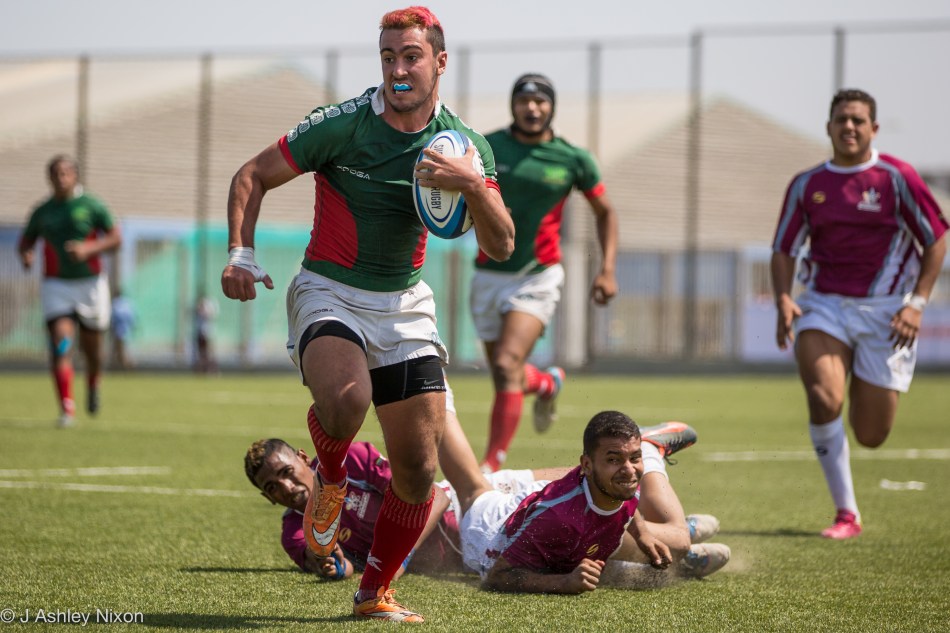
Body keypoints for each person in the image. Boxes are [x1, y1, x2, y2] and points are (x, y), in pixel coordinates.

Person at [221, 6, 514, 623]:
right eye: (388, 57)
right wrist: (241, 256)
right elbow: (252, 174)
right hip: (328, 288)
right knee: (349, 400)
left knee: (418, 467)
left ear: (439, 62)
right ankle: (330, 475)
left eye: (411, 57)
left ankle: (373, 592)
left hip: (405, 305)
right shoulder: (344, 124)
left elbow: (501, 245)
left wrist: (472, 184)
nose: (398, 69)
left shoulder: (466, 147)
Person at [245, 408, 724, 585]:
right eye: (273, 488)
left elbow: (430, 496)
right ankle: (682, 544)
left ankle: (655, 458)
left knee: (590, 499)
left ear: (306, 459)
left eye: (287, 473)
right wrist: (334, 566)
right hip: (480, 535)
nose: (286, 488)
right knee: (589, 527)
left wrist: (398, 559)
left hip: (480, 506)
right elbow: (343, 565)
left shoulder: (352, 464)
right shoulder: (297, 534)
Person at [771, 88, 948, 539]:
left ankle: (865, 392)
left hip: (887, 313)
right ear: (828, 127)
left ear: (874, 128)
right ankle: (846, 513)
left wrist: (916, 304)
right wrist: (783, 298)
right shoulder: (807, 184)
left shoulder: (897, 177)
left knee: (871, 434)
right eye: (841, 120)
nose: (848, 127)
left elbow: (936, 239)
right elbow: (784, 249)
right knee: (823, 396)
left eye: (857, 120)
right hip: (824, 304)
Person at [474, 73, 619, 472]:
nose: (532, 108)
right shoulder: (487, 148)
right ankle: (546, 382)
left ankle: (490, 465)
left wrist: (606, 269)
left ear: (551, 107)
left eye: (541, 101)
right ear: (513, 105)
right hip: (487, 274)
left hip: (538, 275)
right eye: (524, 101)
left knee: (505, 366)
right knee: (510, 375)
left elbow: (605, 212)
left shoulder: (572, 159)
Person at [458, 411, 730, 593]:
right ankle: (684, 552)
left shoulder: (619, 483)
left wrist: (643, 533)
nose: (628, 469)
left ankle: (648, 449)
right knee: (665, 557)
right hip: (496, 526)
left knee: (656, 561)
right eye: (613, 459)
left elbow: (625, 500)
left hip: (561, 519)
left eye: (636, 457)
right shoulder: (557, 519)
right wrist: (563, 582)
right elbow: (497, 576)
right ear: (587, 465)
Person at [17, 155, 122, 427]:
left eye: (66, 173)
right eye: (56, 174)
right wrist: (26, 254)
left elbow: (115, 239)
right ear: (49, 177)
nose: (61, 178)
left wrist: (88, 249)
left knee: (93, 351)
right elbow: (26, 241)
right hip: (56, 285)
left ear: (75, 175)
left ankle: (93, 381)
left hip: (90, 284)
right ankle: (67, 408)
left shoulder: (92, 205)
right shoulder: (43, 211)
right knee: (61, 343)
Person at [110, 290, 136, 370]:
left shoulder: (115, 303)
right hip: (126, 329)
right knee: (121, 347)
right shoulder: (127, 303)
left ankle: (125, 365)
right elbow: (131, 317)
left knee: (119, 348)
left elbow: (113, 316)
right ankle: (122, 364)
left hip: (118, 329)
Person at [194, 295, 218, 373]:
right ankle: (202, 370)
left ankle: (211, 369)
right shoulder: (198, 311)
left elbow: (211, 315)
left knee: (209, 353)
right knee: (201, 353)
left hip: (207, 333)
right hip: (200, 333)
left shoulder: (208, 309)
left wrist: (204, 311)